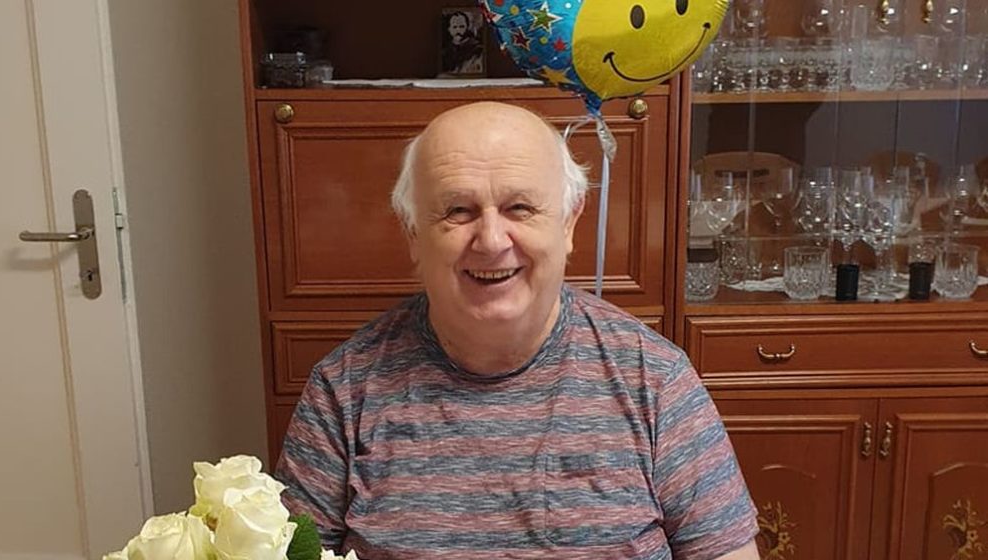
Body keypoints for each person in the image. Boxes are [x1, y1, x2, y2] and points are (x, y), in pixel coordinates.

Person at [276, 102, 760, 560]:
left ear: (569, 221)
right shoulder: (341, 391)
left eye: (520, 208)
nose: (491, 241)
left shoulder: (656, 380)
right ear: (413, 234)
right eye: (458, 211)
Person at [440, 11, 483, 75]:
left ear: (467, 27)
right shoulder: (445, 50)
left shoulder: (476, 48)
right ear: (449, 29)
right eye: (454, 27)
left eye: (461, 27)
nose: (458, 30)